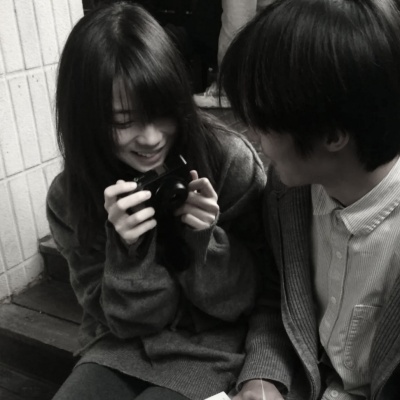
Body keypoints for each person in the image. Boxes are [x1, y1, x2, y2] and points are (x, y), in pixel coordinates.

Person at [46, 2, 267, 400]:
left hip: (216, 343)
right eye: (123, 121)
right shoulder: (70, 196)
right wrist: (128, 253)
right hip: (121, 344)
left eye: (163, 113)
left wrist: (206, 242)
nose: (151, 139)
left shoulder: (229, 159)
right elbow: (129, 323)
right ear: (86, 119)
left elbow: (249, 301)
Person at [219, 0, 400, 399]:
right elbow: (277, 296)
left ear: (333, 135)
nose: (253, 138)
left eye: (262, 124)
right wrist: (264, 378)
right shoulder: (288, 196)